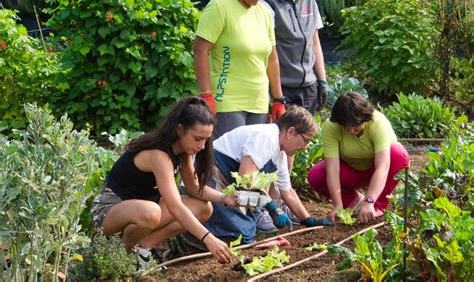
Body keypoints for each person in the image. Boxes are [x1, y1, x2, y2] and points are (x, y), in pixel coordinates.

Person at [160, 106, 332, 259]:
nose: (306, 146)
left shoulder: (280, 152)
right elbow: (246, 180)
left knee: (246, 232)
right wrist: (272, 207)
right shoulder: (266, 138)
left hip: (229, 187)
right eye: (306, 140)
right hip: (210, 178)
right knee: (236, 235)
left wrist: (308, 220)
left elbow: (287, 191)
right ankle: (174, 242)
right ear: (291, 132)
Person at [90, 96, 235, 267]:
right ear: (180, 129)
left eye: (206, 139)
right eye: (197, 139)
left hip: (143, 210)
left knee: (204, 208)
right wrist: (208, 238)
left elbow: (194, 189)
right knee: (151, 211)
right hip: (109, 211)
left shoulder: (183, 153)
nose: (202, 146)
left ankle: (145, 246)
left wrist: (226, 198)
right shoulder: (159, 155)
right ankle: (121, 258)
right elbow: (174, 206)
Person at [194, 0, 285, 139]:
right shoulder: (220, 5)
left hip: (258, 100)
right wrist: (206, 95)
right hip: (228, 100)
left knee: (252, 164)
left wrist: (278, 99)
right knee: (228, 161)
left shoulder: (264, 12)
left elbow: (272, 57)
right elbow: (200, 50)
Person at [307, 92, 410, 224]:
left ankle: (377, 204)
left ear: (365, 119)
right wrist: (338, 205)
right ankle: (353, 201)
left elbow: (382, 167)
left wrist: (370, 200)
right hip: (351, 172)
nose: (350, 131)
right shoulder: (331, 126)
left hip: (376, 170)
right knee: (316, 175)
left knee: (398, 154)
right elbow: (332, 169)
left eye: (355, 128)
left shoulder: (377, 122)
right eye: (346, 128)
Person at [263, 0, 328, 115]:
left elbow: (314, 42)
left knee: (305, 138)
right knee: (282, 138)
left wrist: (322, 81)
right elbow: (267, 50)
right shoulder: (267, 0)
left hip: (309, 87)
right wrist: (274, 95)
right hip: (281, 87)